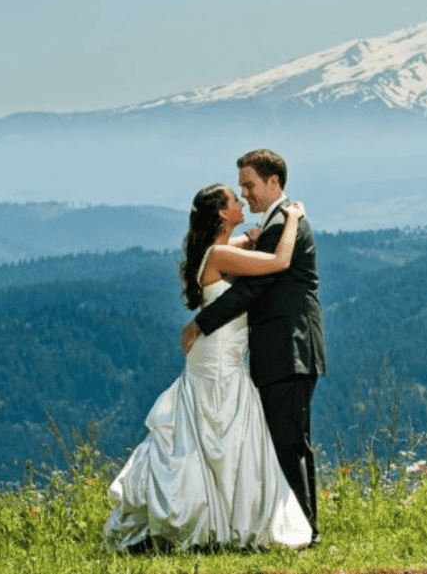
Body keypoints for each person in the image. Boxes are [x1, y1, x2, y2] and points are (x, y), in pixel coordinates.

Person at [104, 184, 313, 552]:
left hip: (220, 353)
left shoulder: (221, 250)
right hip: (218, 359)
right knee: (221, 431)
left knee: (217, 434)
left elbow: (247, 256)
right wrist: (293, 218)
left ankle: (218, 520)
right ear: (221, 213)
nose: (241, 200)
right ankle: (218, 521)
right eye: (235, 199)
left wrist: (251, 240)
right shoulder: (218, 253)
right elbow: (279, 262)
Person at [180, 148, 326, 545]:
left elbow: (252, 288)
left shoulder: (283, 225)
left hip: (288, 350)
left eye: (249, 185)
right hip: (281, 352)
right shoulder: (277, 224)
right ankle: (297, 527)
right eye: (240, 189)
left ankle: (303, 531)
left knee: (288, 444)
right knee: (286, 442)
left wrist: (201, 322)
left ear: (273, 182)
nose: (245, 195)